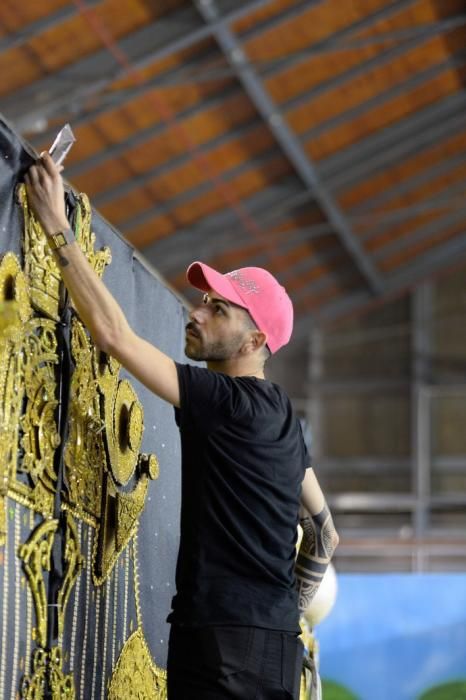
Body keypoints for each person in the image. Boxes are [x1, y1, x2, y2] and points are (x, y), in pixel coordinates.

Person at [25, 153, 339, 700]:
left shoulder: (224, 401)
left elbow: (116, 338)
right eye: (203, 301)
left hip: (220, 646)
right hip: (272, 646)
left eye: (219, 310)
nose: (196, 313)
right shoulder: (283, 416)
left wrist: (54, 224)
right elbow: (325, 534)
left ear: (255, 341)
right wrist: (283, 608)